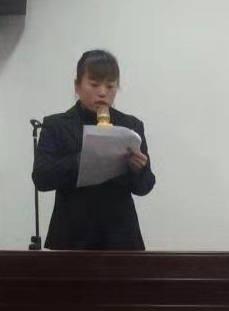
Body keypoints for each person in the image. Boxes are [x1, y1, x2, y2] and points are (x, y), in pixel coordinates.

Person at [32, 49, 155, 250]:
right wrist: (81, 159)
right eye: (94, 84)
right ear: (77, 86)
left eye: (110, 85)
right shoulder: (57, 125)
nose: (103, 92)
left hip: (121, 238)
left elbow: (145, 187)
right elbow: (41, 178)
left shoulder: (131, 126)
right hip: (71, 237)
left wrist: (138, 169)